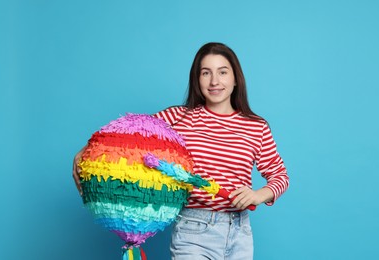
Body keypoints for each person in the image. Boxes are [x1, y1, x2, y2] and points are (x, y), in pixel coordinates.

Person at [73, 42, 289, 259]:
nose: (215, 81)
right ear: (197, 79)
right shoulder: (178, 117)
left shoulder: (256, 126)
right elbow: (129, 133)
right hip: (194, 230)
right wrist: (87, 151)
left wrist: (258, 195)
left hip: (241, 232)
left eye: (223, 72)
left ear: (235, 78)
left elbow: (280, 175)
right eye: (206, 73)